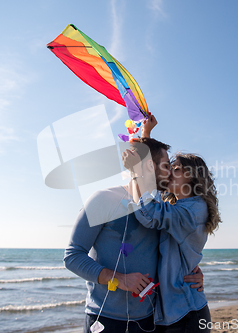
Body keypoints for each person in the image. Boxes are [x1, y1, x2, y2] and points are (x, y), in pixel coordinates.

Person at [64, 120, 204, 333]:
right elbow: (73, 256)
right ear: (149, 166)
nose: (171, 173)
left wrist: (192, 270)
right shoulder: (103, 199)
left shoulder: (160, 208)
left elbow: (176, 250)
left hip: (150, 320)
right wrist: (118, 278)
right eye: (166, 166)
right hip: (105, 319)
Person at [123, 124, 221, 332]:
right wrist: (146, 136)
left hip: (186, 312)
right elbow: (153, 177)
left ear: (192, 177)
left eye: (175, 170)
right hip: (174, 311)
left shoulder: (193, 210)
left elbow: (148, 214)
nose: (168, 173)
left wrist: (135, 171)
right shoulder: (177, 206)